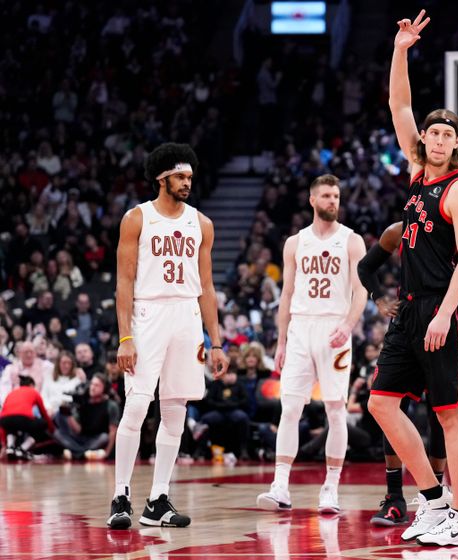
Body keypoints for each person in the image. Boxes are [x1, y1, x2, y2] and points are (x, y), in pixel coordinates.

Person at [367, 9, 458, 547]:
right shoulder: (417, 174)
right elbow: (399, 104)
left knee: (450, 414)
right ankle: (434, 499)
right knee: (381, 403)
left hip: (444, 308)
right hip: (409, 306)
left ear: (457, 141)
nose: (436, 140)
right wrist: (400, 49)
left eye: (445, 134)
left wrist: (442, 315)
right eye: (431, 133)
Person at [356, 220, 458, 525]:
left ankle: (439, 498)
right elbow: (365, 267)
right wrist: (380, 300)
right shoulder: (399, 230)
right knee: (388, 404)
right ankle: (396, 496)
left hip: (446, 322)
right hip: (409, 320)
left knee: (442, 414)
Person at [108, 143, 229, 530]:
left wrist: (217, 340)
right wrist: (125, 337)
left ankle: (157, 500)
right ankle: (120, 495)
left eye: (190, 177)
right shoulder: (137, 218)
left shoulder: (202, 223)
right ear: (162, 178)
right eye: (180, 177)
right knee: (138, 405)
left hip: (187, 317)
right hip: (148, 314)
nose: (187, 183)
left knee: (176, 410)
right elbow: (123, 282)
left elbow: (206, 286)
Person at [257, 173, 367, 514]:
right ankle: (280, 486)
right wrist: (280, 342)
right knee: (290, 408)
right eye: (326, 196)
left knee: (336, 409)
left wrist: (348, 325)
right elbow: (287, 294)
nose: (333, 201)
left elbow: (362, 290)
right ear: (312, 200)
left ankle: (330, 488)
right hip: (300, 330)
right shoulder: (295, 242)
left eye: (336, 195)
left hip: (334, 329)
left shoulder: (352, 241)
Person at [54, 373, 119, 461]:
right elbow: (78, 430)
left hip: (96, 439)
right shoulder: (84, 402)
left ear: (104, 388)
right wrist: (68, 415)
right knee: (57, 433)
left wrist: (107, 453)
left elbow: (113, 431)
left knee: (104, 437)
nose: (92, 387)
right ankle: (82, 453)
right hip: (81, 438)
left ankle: (75, 453)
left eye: (97, 385)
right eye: (92, 384)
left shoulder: (111, 406)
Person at [0, 375, 54, 461]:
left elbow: (4, 416)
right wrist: (52, 428)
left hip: (4, 420)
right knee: (42, 423)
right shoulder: (34, 392)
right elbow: (44, 413)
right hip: (23, 419)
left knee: (11, 422)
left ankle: (10, 447)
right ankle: (22, 449)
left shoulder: (11, 393)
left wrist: (3, 444)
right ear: (32, 385)